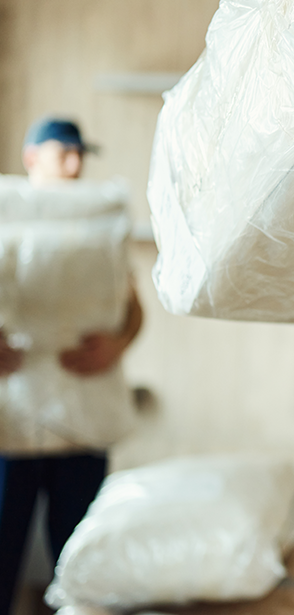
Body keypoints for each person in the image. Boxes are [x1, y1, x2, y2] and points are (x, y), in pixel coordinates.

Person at [0, 118, 143, 615]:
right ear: (31, 158)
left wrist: (118, 343)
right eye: (65, 153)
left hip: (83, 420)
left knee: (80, 561)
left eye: (81, 154)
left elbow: (132, 303)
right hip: (10, 423)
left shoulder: (97, 229)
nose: (76, 164)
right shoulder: (4, 214)